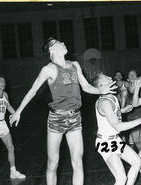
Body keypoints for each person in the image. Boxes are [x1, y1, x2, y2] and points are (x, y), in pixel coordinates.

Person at [9, 37, 116, 185]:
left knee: (78, 162)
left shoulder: (75, 65)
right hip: (56, 120)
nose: (65, 43)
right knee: (53, 164)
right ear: (51, 49)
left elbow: (85, 87)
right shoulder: (48, 69)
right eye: (60, 42)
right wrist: (18, 111)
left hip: (75, 118)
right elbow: (33, 91)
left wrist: (100, 90)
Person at [92, 73, 141, 185]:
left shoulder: (112, 97)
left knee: (137, 162)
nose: (110, 78)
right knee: (121, 178)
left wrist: (121, 110)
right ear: (101, 85)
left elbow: (110, 114)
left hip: (114, 140)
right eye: (107, 78)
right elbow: (117, 126)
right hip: (105, 142)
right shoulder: (104, 102)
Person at [121, 70, 141, 150]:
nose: (132, 75)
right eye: (130, 75)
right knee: (136, 141)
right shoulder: (125, 92)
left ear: (137, 78)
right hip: (132, 119)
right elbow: (122, 108)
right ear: (128, 79)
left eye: (134, 74)